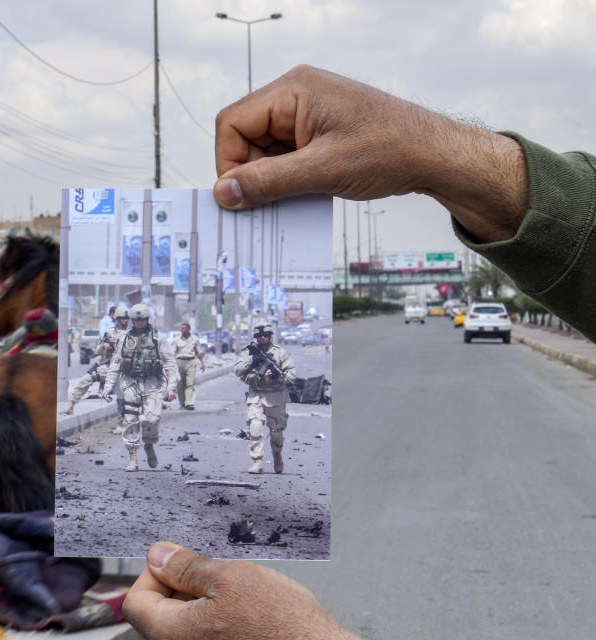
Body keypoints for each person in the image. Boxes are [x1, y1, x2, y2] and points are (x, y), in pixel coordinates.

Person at [122, 64, 596, 639]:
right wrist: (440, 153)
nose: (267, 338)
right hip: (242, 394)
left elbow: (292, 371)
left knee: (274, 437)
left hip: (276, 399)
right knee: (252, 434)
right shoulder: (205, 342)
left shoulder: (276, 349)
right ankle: (251, 478)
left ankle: (270, 469)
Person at [101, 304, 178, 471]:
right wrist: (108, 386)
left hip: (152, 384)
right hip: (130, 383)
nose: (139, 323)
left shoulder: (158, 338)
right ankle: (133, 457)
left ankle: (149, 444)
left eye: (142, 320)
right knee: (130, 421)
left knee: (152, 419)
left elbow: (170, 364)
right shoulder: (124, 339)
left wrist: (171, 387)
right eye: (136, 320)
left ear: (147, 319)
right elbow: (115, 363)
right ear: (132, 321)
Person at [233, 323, 297, 474]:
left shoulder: (280, 353)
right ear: (256, 337)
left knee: (276, 431)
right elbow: (237, 370)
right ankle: (258, 461)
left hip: (275, 396)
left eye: (265, 335)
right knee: (255, 426)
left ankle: (277, 455)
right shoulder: (249, 352)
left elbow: (292, 372)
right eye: (260, 336)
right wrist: (252, 360)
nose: (263, 338)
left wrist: (281, 378)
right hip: (256, 394)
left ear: (270, 336)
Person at [59, 306, 129, 415]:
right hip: (107, 366)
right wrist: (103, 346)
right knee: (84, 380)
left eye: (127, 318)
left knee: (121, 395)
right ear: (118, 318)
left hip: (122, 369)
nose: (125, 320)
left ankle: (121, 422)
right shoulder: (109, 333)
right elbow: (97, 348)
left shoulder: (130, 334)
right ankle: (70, 406)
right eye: (123, 318)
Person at [172, 322, 205, 410]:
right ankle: (182, 402)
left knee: (190, 383)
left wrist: (202, 363)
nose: (181, 330)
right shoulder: (176, 340)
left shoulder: (195, 339)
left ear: (188, 329)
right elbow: (172, 353)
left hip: (191, 361)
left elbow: (199, 352)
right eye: (181, 328)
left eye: (183, 328)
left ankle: (189, 403)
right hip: (179, 362)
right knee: (180, 384)